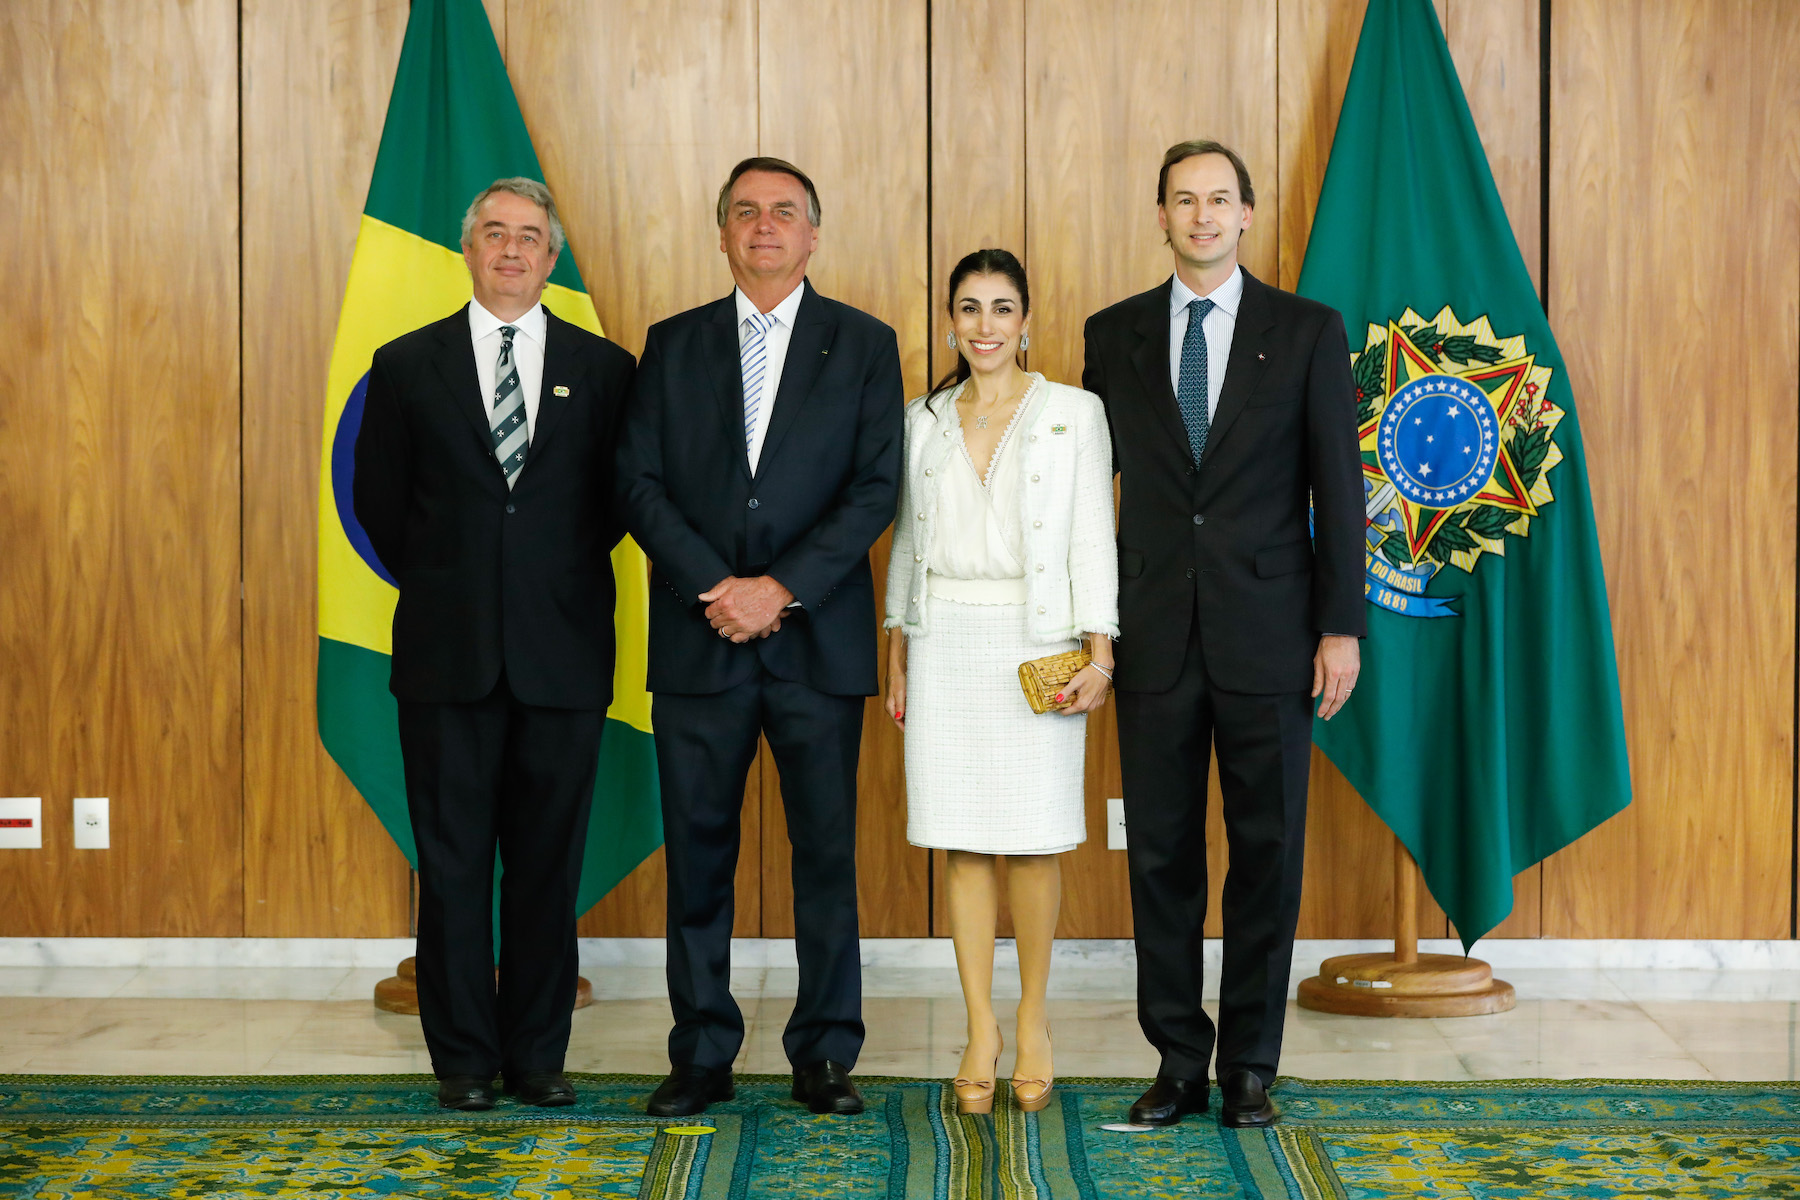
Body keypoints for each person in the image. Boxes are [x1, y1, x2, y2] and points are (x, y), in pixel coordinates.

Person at [1081, 140, 1365, 1128]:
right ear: (1158, 215)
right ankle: (1176, 1061)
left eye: (1219, 200)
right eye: (1182, 200)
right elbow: (1084, 495)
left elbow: (1340, 487)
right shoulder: (1111, 335)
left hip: (1274, 635)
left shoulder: (1305, 331)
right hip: (1151, 632)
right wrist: (1088, 626)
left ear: (1247, 214)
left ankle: (1250, 1065)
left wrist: (1341, 628)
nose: (1201, 216)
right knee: (1159, 858)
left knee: (1267, 853)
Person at [618, 156, 904, 1118]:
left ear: (814, 234)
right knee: (699, 860)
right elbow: (638, 483)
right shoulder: (672, 344)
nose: (766, 226)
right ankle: (700, 1051)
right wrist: (717, 586)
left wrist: (778, 590)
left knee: (826, 858)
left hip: (816, 647)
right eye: (747, 212)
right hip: (700, 641)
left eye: (785, 213)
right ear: (724, 233)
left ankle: (824, 1053)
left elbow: (874, 488)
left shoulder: (865, 344)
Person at [353, 178, 636, 1112]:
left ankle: (537, 1058)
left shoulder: (605, 371)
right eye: (494, 235)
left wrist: (531, 581)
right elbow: (382, 510)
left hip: (561, 655)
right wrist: (466, 580)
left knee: (549, 868)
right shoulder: (403, 366)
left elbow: (610, 510)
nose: (512, 251)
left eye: (530, 238)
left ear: (552, 258)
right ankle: (465, 1062)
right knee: (455, 867)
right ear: (466, 249)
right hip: (447, 655)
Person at [884, 249, 1118, 1115]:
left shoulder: (1073, 412)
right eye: (971, 308)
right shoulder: (921, 418)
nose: (986, 325)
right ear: (951, 320)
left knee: (1032, 836)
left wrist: (1099, 653)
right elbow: (907, 538)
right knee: (963, 838)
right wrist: (897, 647)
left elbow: (1095, 533)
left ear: (1027, 320)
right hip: (944, 637)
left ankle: (1033, 1023)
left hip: (1039, 640)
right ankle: (980, 1025)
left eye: (1002, 308)